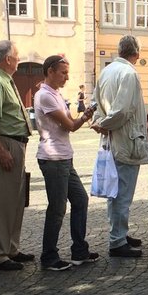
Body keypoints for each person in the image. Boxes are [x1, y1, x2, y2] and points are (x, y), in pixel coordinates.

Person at [34, 54, 98, 271]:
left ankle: (79, 250)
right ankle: (49, 256)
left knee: (80, 200)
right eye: (63, 73)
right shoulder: (45, 96)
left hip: (63, 157)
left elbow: (71, 123)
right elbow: (69, 125)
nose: (67, 77)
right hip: (53, 158)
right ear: (50, 71)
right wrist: (82, 118)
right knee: (57, 208)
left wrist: (84, 116)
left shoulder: (56, 95)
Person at [91, 35, 148, 258]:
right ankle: (117, 240)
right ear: (136, 53)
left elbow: (96, 102)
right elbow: (123, 111)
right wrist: (103, 124)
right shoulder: (128, 73)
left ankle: (120, 234)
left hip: (113, 139)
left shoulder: (106, 71)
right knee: (121, 194)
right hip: (125, 141)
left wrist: (100, 122)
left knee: (116, 193)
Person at [0, 40, 34, 271]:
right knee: (3, 202)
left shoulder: (4, 80)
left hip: (15, 144)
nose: (19, 59)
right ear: (7, 59)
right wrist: (1, 151)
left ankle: (11, 248)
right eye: (17, 55)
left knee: (16, 200)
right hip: (7, 144)